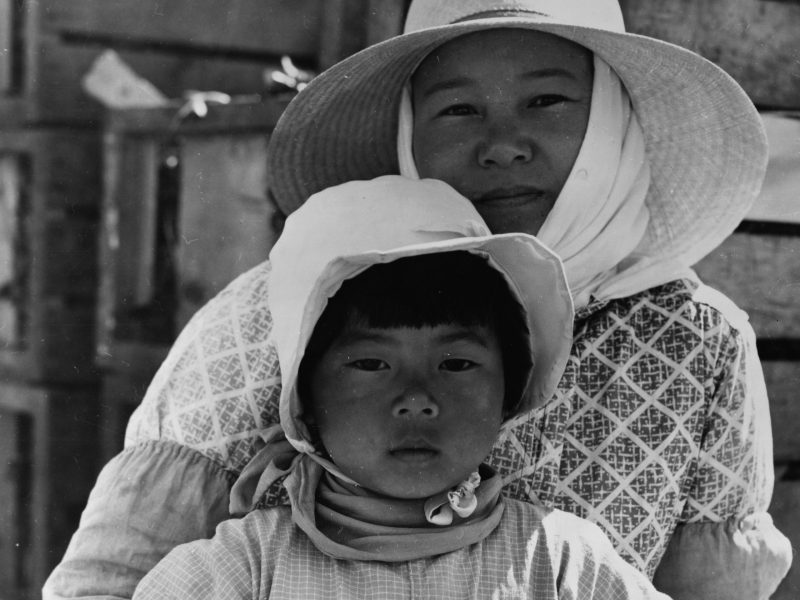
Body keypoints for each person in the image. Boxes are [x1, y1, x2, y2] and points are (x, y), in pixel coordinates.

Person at [45, 1, 792, 599]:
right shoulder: (284, 309)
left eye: (548, 101)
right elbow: (111, 579)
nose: (504, 144)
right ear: (407, 132)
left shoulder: (695, 341)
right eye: (458, 111)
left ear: (614, 123)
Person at [131, 175, 670, 599]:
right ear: (306, 400)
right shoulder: (242, 571)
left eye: (457, 364)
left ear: (510, 392)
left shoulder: (559, 562)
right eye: (370, 364)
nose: (417, 397)